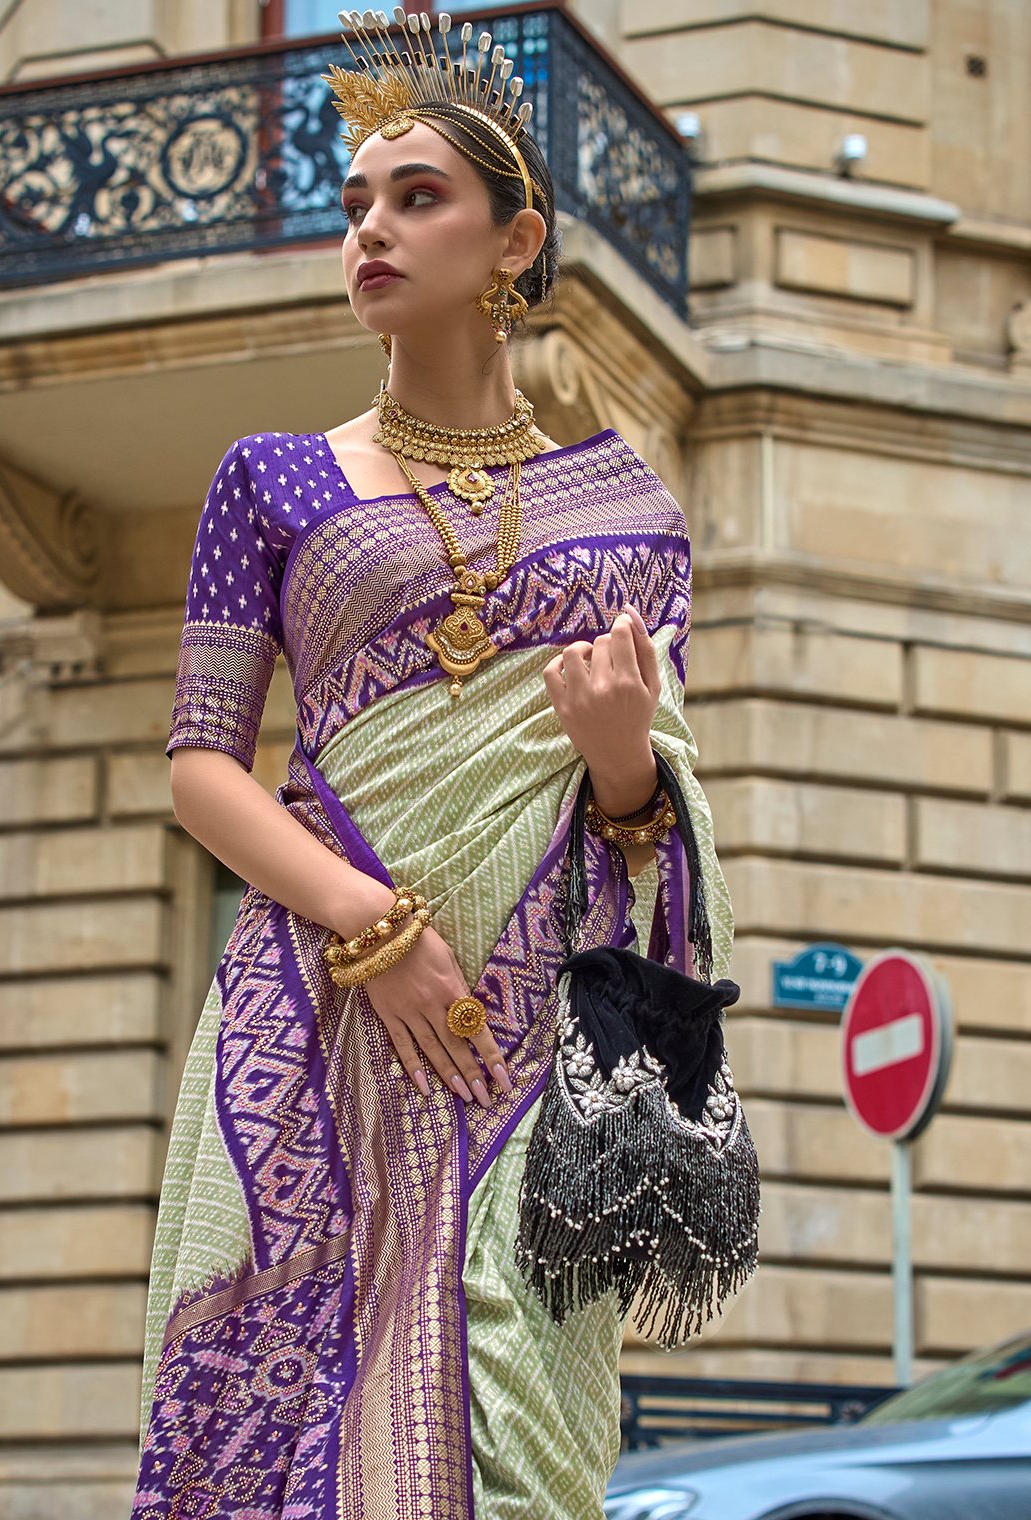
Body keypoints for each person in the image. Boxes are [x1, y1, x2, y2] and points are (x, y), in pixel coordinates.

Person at [132, 14, 756, 1520]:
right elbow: (200, 770)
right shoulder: (272, 480)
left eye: (416, 198)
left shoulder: (629, 512)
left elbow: (642, 835)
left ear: (513, 240)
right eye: (355, 204)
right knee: (288, 1441)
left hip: (528, 1046)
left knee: (525, 1452)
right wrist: (375, 930)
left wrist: (621, 767)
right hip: (315, 1017)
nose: (372, 230)